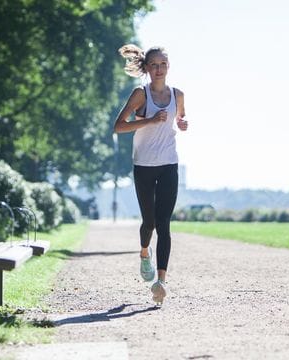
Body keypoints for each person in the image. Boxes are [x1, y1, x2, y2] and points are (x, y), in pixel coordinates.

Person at [113, 44, 188, 305]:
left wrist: (182, 124)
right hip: (144, 165)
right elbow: (119, 126)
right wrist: (149, 121)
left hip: (169, 163)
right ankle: (145, 252)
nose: (158, 69)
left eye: (163, 64)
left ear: (168, 67)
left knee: (164, 223)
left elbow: (180, 119)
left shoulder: (178, 95)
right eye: (154, 65)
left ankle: (161, 281)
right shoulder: (140, 95)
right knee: (150, 222)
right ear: (147, 68)